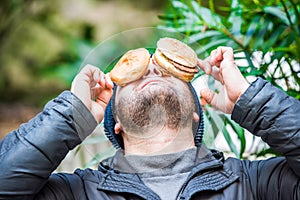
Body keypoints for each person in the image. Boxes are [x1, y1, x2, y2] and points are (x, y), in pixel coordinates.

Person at [0, 45, 299, 200]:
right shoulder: (76, 193)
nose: (151, 71)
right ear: (116, 121)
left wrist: (250, 99)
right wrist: (71, 115)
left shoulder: (257, 185)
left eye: (166, 71)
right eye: (138, 73)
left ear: (196, 112)